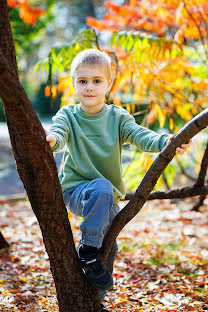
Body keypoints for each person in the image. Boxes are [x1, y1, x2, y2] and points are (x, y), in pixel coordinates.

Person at [45, 49, 190, 312]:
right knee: (100, 193)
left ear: (108, 84)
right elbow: (58, 134)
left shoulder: (117, 117)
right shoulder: (68, 116)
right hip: (78, 192)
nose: (89, 87)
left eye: (97, 81)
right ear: (74, 82)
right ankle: (86, 251)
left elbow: (140, 135)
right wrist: (52, 140)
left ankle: (95, 300)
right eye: (83, 81)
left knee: (110, 247)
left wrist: (166, 142)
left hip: (106, 196)